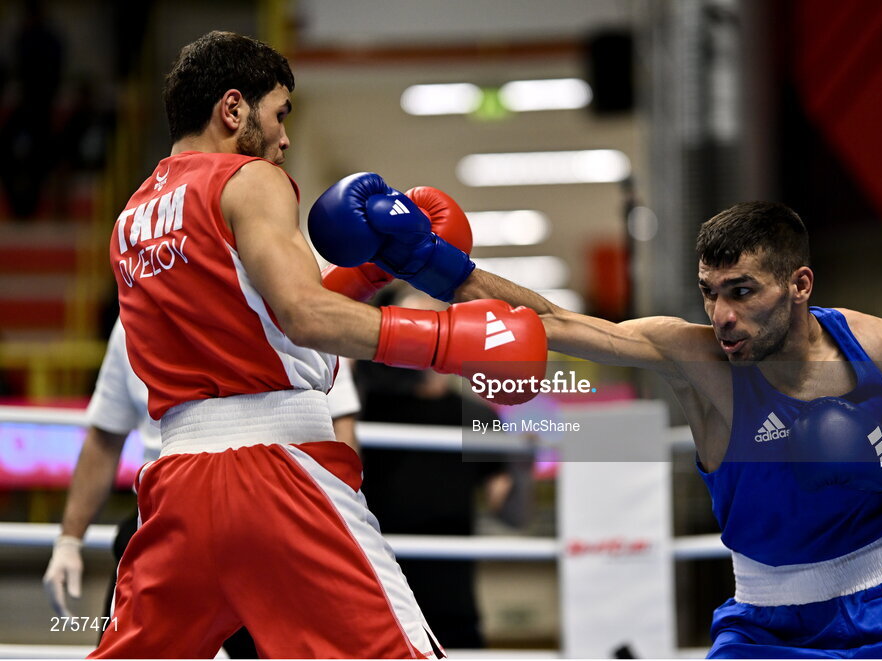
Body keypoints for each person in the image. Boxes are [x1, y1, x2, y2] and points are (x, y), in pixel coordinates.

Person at [311, 186, 882, 657]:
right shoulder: (696, 360)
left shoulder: (879, 346)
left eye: (743, 293)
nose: (723, 316)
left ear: (799, 285)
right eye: (710, 294)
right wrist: (430, 261)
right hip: (770, 626)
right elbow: (551, 321)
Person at [91, 31, 547, 659]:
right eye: (278, 115)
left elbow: (251, 322)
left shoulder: (131, 218)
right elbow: (301, 315)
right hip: (278, 474)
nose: (283, 139)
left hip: (177, 485)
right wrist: (450, 340)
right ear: (232, 109)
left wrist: (367, 274)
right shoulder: (249, 179)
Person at [41, 316, 360, 656]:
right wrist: (69, 539)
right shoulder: (136, 313)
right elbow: (105, 435)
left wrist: (336, 519)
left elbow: (340, 427)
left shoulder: (284, 300)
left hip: (274, 520)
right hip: (162, 523)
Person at [357, 287, 521, 649]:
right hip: (376, 585)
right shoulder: (366, 407)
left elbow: (512, 512)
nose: (427, 334)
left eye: (435, 322)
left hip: (452, 596)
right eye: (415, 324)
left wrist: (524, 457)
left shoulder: (477, 415)